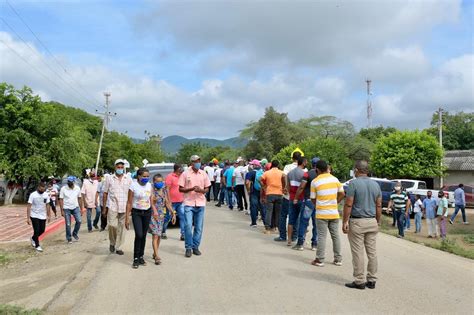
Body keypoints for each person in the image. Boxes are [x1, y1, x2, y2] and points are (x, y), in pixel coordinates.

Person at [342, 160, 382, 290]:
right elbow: (379, 205)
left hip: (358, 221)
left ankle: (359, 280)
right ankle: (372, 279)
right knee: (372, 252)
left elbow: (349, 204)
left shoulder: (353, 184)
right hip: (372, 221)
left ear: (356, 170)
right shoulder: (376, 185)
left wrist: (345, 221)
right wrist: (378, 221)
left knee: (358, 252)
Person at [310, 160, 344, 267]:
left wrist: (318, 205)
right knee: (335, 236)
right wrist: (336, 202)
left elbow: (313, 198)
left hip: (321, 213)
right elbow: (342, 193)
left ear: (318, 169)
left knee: (322, 236)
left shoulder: (315, 182)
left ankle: (320, 260)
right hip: (334, 213)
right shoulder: (335, 179)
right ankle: (338, 259)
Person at [179, 155, 211, 258]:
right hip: (189, 203)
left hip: (200, 203)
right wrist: (191, 189)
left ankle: (195, 247)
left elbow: (207, 188)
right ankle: (188, 247)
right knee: (188, 226)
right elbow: (180, 189)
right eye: (194, 161)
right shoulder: (185, 174)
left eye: (198, 161)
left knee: (198, 227)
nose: (197, 163)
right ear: (191, 163)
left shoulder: (203, 174)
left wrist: (200, 190)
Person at [103, 159, 132, 255]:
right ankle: (112, 242)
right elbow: (105, 193)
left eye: (121, 167)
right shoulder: (109, 178)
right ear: (115, 168)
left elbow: (131, 193)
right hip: (112, 206)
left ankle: (119, 247)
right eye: (118, 167)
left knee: (122, 228)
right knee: (112, 225)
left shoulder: (128, 179)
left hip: (124, 206)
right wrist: (104, 208)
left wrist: (131, 206)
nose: (120, 169)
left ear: (124, 168)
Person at [126, 167, 153, 269]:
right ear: (139, 176)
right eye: (144, 176)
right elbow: (129, 202)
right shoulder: (133, 186)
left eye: (147, 176)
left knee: (144, 235)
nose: (146, 178)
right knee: (139, 234)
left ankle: (141, 256)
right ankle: (135, 258)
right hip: (136, 212)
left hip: (147, 212)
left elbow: (151, 199)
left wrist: (154, 211)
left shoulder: (149, 185)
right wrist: (127, 218)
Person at [293, 157, 319, 251]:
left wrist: (296, 197)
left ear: (311, 164)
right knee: (316, 224)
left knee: (303, 222)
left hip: (308, 201)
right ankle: (314, 245)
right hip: (318, 202)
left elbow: (301, 187)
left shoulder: (307, 174)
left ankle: (300, 244)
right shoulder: (322, 175)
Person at [150, 174, 175, 265]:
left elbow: (167, 203)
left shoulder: (164, 191)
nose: (159, 183)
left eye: (161, 181)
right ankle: (156, 256)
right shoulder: (152, 190)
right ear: (154, 182)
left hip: (161, 216)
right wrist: (155, 211)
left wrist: (172, 212)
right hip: (153, 215)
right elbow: (151, 202)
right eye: (157, 181)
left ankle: (154, 252)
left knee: (159, 235)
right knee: (155, 235)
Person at [277, 151, 302, 242]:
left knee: (283, 215)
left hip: (288, 195)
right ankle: (295, 236)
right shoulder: (304, 168)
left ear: (292, 158)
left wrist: (284, 187)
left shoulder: (288, 167)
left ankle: (283, 236)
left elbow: (283, 176)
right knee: (297, 216)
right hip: (299, 196)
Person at [261, 160, 286, 234]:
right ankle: (277, 228)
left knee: (269, 211)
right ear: (278, 165)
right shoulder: (281, 172)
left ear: (272, 165)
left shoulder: (267, 173)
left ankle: (268, 228)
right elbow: (284, 177)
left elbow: (259, 179)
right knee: (278, 212)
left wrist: (264, 187)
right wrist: (284, 187)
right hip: (279, 193)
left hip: (270, 193)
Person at [287, 157, 307, 247]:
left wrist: (291, 194)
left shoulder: (290, 173)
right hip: (301, 198)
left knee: (291, 219)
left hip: (291, 198)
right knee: (302, 220)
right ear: (303, 163)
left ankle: (289, 240)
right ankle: (300, 239)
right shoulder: (304, 174)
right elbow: (303, 187)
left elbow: (287, 187)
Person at [27, 182, 51, 252]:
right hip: (34, 214)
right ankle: (37, 245)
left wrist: (49, 215)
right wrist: (28, 218)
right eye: (41, 188)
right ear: (38, 187)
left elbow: (47, 205)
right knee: (36, 230)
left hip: (42, 215)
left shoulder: (46, 195)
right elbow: (29, 206)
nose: (42, 190)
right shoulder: (33, 195)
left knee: (42, 230)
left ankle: (33, 238)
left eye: (43, 189)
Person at [59, 176, 83, 244]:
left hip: (75, 207)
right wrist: (62, 210)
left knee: (79, 221)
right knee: (68, 224)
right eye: (68, 182)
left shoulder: (77, 188)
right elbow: (61, 199)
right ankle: (69, 238)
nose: (69, 183)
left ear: (73, 182)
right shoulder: (63, 189)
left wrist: (81, 209)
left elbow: (80, 198)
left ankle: (74, 233)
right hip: (66, 208)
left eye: (71, 182)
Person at [165, 164, 185, 241]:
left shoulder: (182, 176)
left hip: (180, 202)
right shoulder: (170, 177)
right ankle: (163, 232)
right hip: (171, 202)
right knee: (168, 217)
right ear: (176, 169)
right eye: (180, 169)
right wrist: (168, 201)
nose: (182, 171)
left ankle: (183, 234)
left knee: (182, 217)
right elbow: (167, 190)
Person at [245, 159, 266, 227]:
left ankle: (254, 223)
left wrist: (248, 190)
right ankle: (266, 223)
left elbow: (247, 182)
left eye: (252, 164)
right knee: (262, 207)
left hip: (254, 192)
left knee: (253, 207)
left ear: (254, 165)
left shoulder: (250, 173)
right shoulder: (263, 172)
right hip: (262, 191)